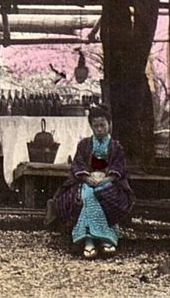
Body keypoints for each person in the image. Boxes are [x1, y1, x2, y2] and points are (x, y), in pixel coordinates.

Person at [51, 104, 134, 259]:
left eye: (102, 125)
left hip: (110, 183)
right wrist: (87, 178)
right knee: (88, 194)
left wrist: (105, 179)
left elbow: (119, 168)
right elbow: (78, 164)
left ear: (110, 124)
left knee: (97, 194)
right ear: (91, 127)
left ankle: (88, 240)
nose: (99, 129)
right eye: (95, 126)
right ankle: (102, 240)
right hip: (86, 181)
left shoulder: (116, 147)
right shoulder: (84, 145)